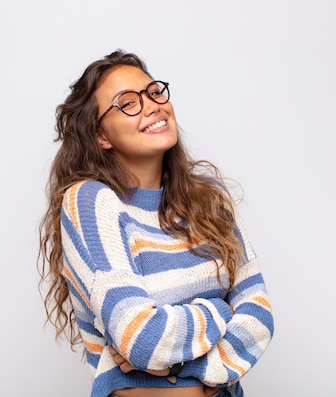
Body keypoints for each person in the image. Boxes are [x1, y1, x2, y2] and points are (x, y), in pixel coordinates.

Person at [38, 49, 274, 397]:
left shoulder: (210, 198)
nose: (151, 105)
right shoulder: (90, 201)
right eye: (127, 103)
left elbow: (259, 318)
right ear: (101, 135)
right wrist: (223, 310)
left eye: (153, 92)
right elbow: (142, 339)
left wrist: (178, 363)